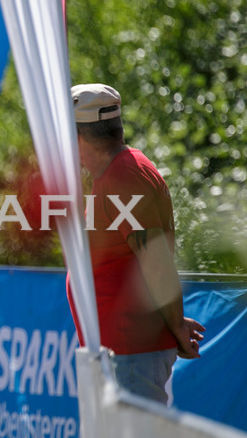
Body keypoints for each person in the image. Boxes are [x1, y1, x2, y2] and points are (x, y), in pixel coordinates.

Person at [67, 84, 204, 404]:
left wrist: (176, 326)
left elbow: (157, 263)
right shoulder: (118, 171)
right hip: (123, 354)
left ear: (76, 137)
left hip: (131, 355)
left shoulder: (122, 176)